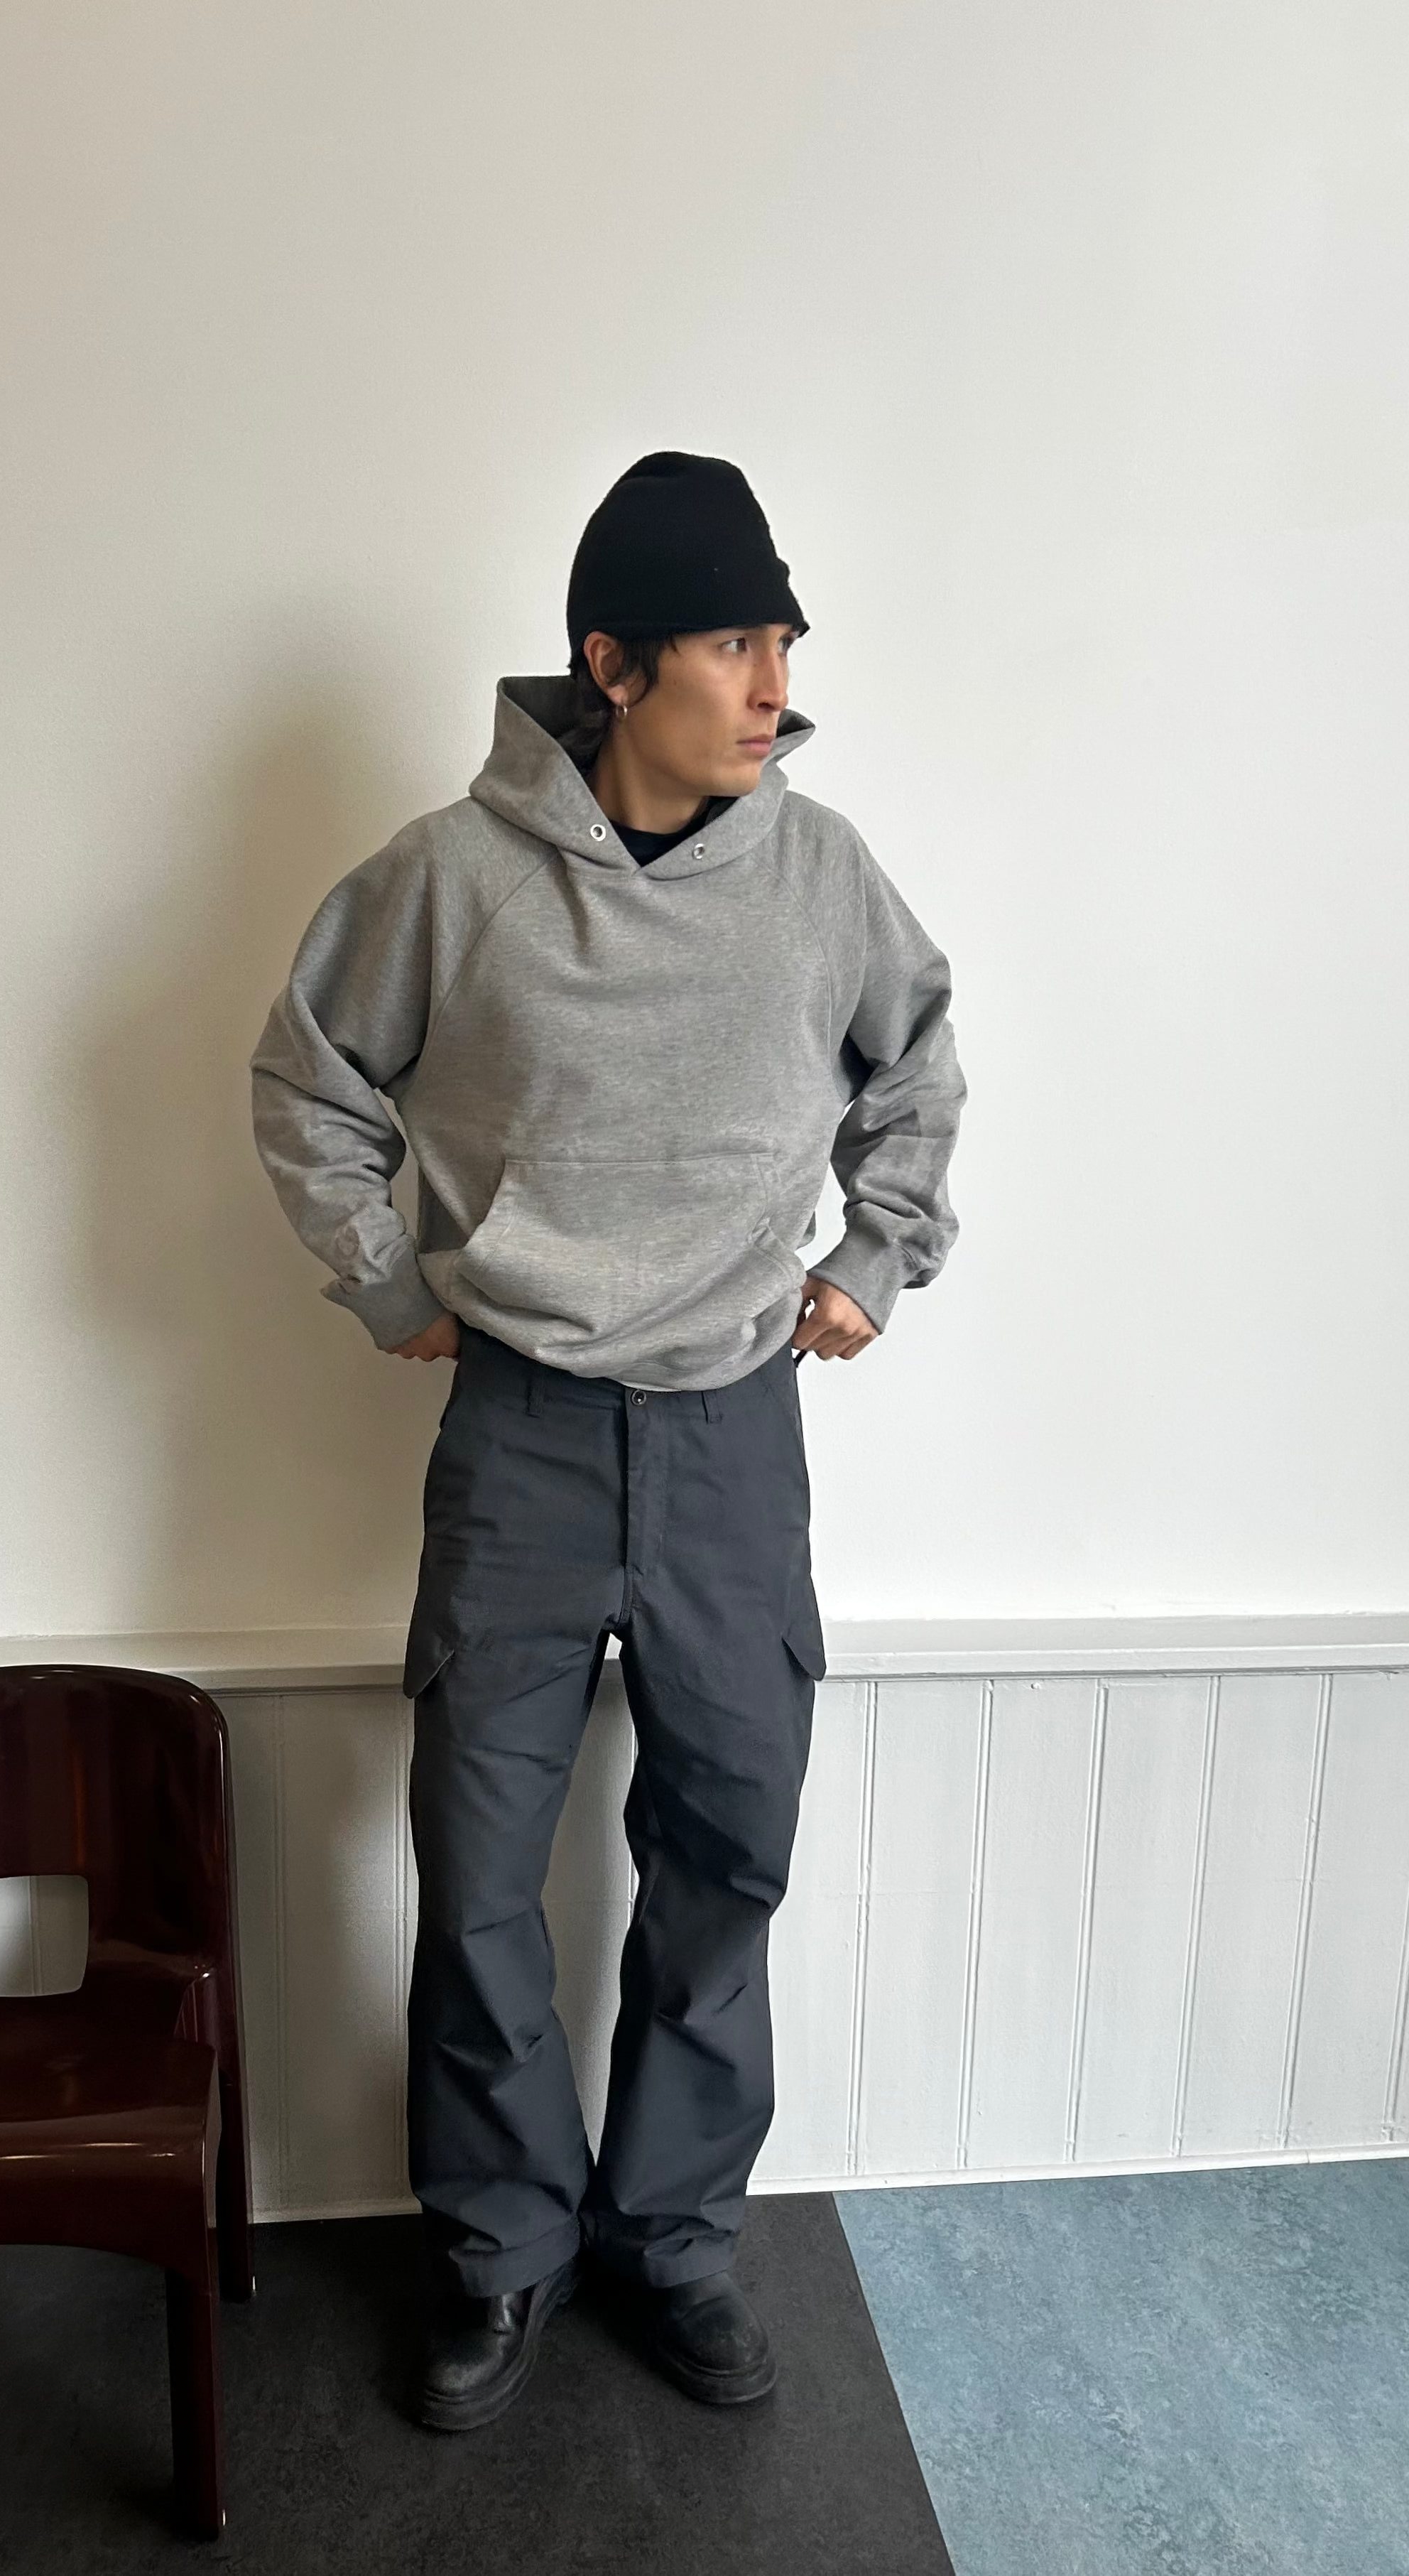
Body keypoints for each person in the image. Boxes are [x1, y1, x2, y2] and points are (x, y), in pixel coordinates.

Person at [249, 450, 967, 2432]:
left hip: (733, 1435)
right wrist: (389, 1283)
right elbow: (308, 1081)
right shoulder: (449, 881)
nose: (778, 685)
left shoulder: (820, 878)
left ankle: (672, 2240)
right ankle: (500, 2255)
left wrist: (876, 1255)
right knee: (478, 1870)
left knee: (726, 1849)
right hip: (525, 1435)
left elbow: (918, 1061)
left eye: (784, 641)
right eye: (735, 643)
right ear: (613, 661)